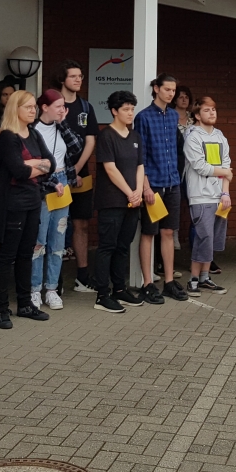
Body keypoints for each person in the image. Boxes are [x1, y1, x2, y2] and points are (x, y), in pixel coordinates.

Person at [0, 90, 54, 329]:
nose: (33, 110)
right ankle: (1, 309)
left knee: (27, 253)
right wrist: (37, 165)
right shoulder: (8, 136)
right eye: (27, 107)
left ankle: (25, 304)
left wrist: (32, 165)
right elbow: (18, 170)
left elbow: (52, 164)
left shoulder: (34, 134)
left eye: (33, 107)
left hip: (33, 200)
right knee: (7, 256)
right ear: (15, 109)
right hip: (12, 203)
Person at [92, 90, 144, 314]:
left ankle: (119, 289)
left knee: (123, 247)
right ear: (114, 111)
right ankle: (102, 294)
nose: (130, 113)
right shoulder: (106, 136)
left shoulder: (135, 136)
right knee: (107, 247)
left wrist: (138, 191)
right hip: (112, 201)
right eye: (125, 109)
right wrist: (130, 192)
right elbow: (110, 169)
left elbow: (140, 166)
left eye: (132, 108)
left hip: (132, 202)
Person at [30, 89, 82, 310]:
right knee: (38, 241)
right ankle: (34, 289)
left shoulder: (62, 127)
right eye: (59, 106)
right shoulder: (32, 129)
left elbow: (77, 147)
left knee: (58, 241)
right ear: (45, 107)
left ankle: (51, 288)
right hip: (42, 183)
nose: (63, 110)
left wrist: (63, 124)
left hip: (63, 182)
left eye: (63, 106)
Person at [134, 73, 182, 305]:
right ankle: (146, 283)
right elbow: (140, 154)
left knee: (168, 232)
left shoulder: (174, 116)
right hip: (153, 183)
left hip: (172, 181)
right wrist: (145, 186)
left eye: (173, 90)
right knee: (148, 233)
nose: (171, 94)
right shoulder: (143, 117)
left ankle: (169, 281)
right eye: (167, 90)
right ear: (156, 89)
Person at [56, 60, 99, 293]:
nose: (78, 80)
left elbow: (91, 139)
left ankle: (82, 277)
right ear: (62, 79)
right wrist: (66, 174)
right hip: (56, 178)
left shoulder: (86, 106)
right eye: (73, 76)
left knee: (81, 224)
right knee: (56, 226)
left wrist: (78, 169)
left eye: (80, 76)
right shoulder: (53, 105)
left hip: (82, 175)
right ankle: (55, 280)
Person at [184, 97, 231, 296]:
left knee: (212, 239)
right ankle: (193, 280)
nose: (212, 113)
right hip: (200, 196)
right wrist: (224, 172)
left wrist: (226, 192)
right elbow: (200, 166)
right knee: (204, 237)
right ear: (196, 115)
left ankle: (205, 277)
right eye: (206, 110)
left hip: (219, 196)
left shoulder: (221, 136)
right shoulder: (192, 136)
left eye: (213, 109)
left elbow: (227, 166)